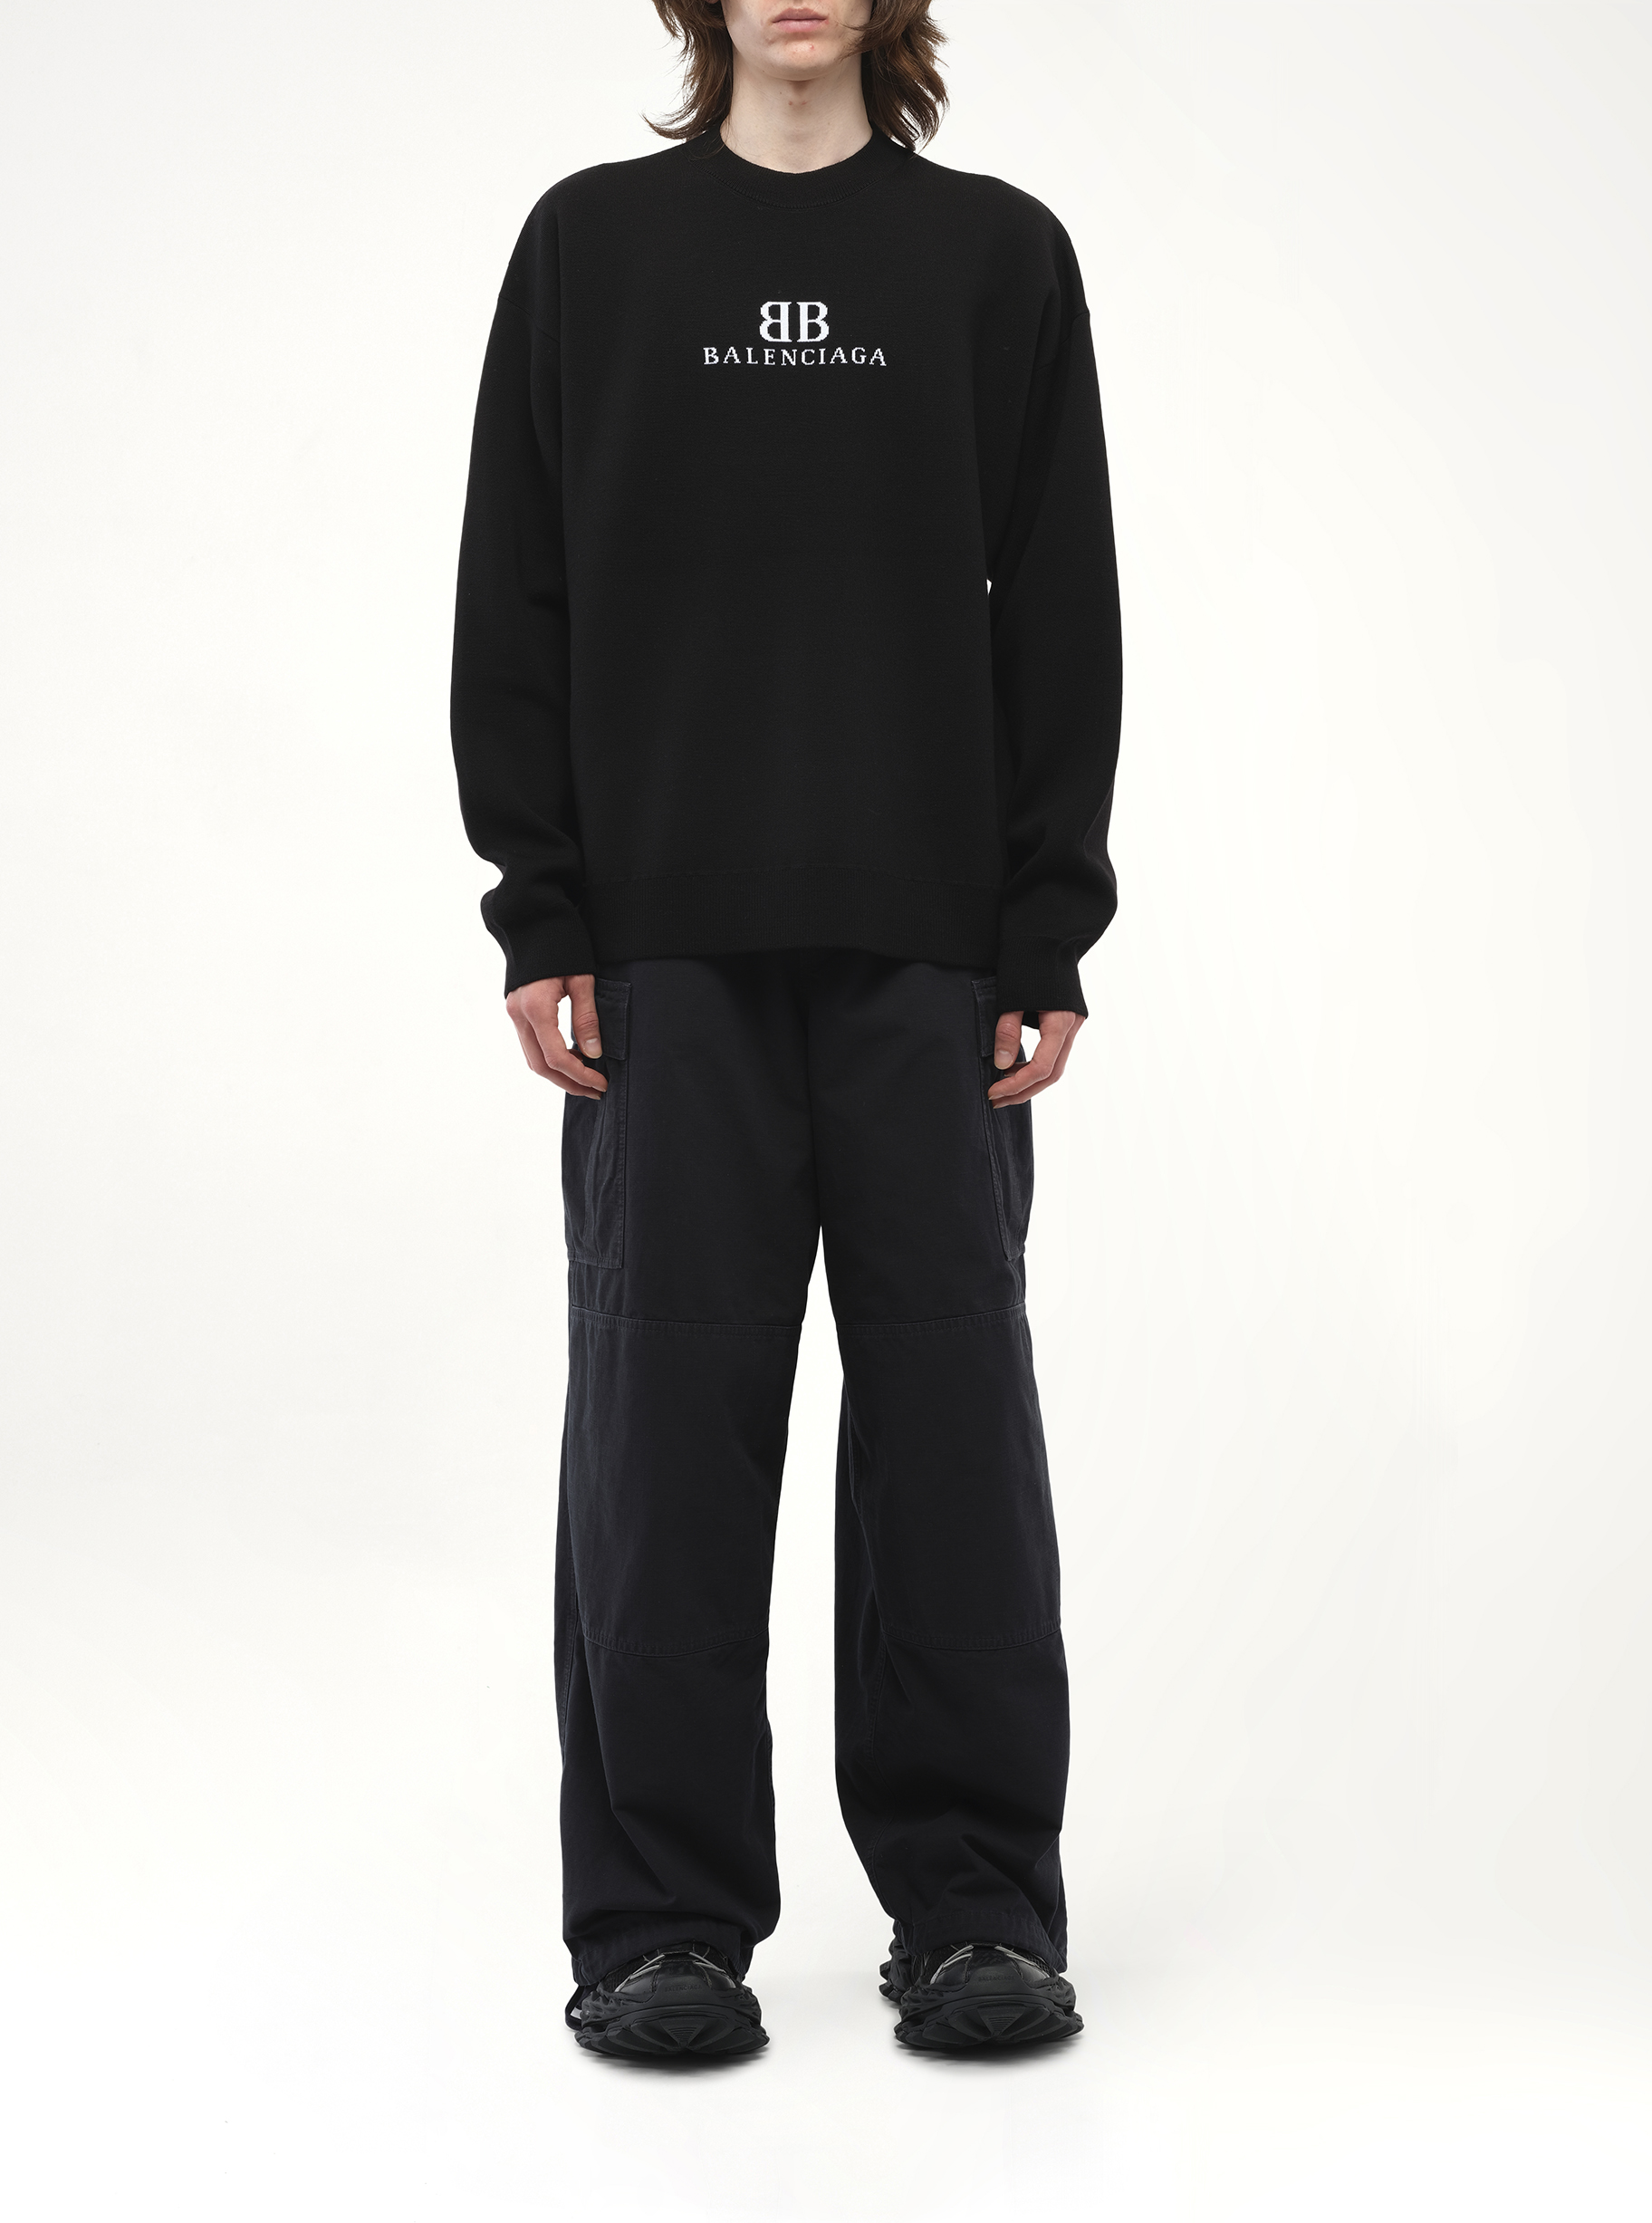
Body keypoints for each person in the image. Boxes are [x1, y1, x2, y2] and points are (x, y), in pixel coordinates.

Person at [450, 0, 1121, 2058]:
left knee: (951, 1441)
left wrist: (1045, 925)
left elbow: (1062, 603)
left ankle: (975, 1907)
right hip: (666, 957)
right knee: (660, 1445)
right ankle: (658, 1924)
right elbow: (515, 590)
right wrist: (542, 904)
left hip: (933, 958)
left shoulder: (997, 258)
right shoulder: (590, 249)